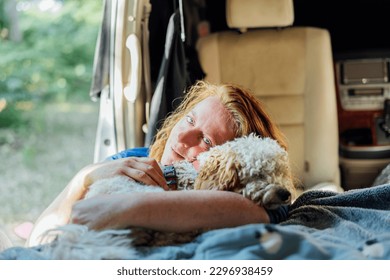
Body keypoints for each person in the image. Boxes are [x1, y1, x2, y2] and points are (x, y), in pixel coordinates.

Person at [27, 80, 290, 247]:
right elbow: (39, 242)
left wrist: (124, 209)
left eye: (207, 142)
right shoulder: (129, 162)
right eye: (189, 120)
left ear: (234, 163)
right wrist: (83, 178)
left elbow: (258, 213)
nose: (183, 137)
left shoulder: (256, 192)